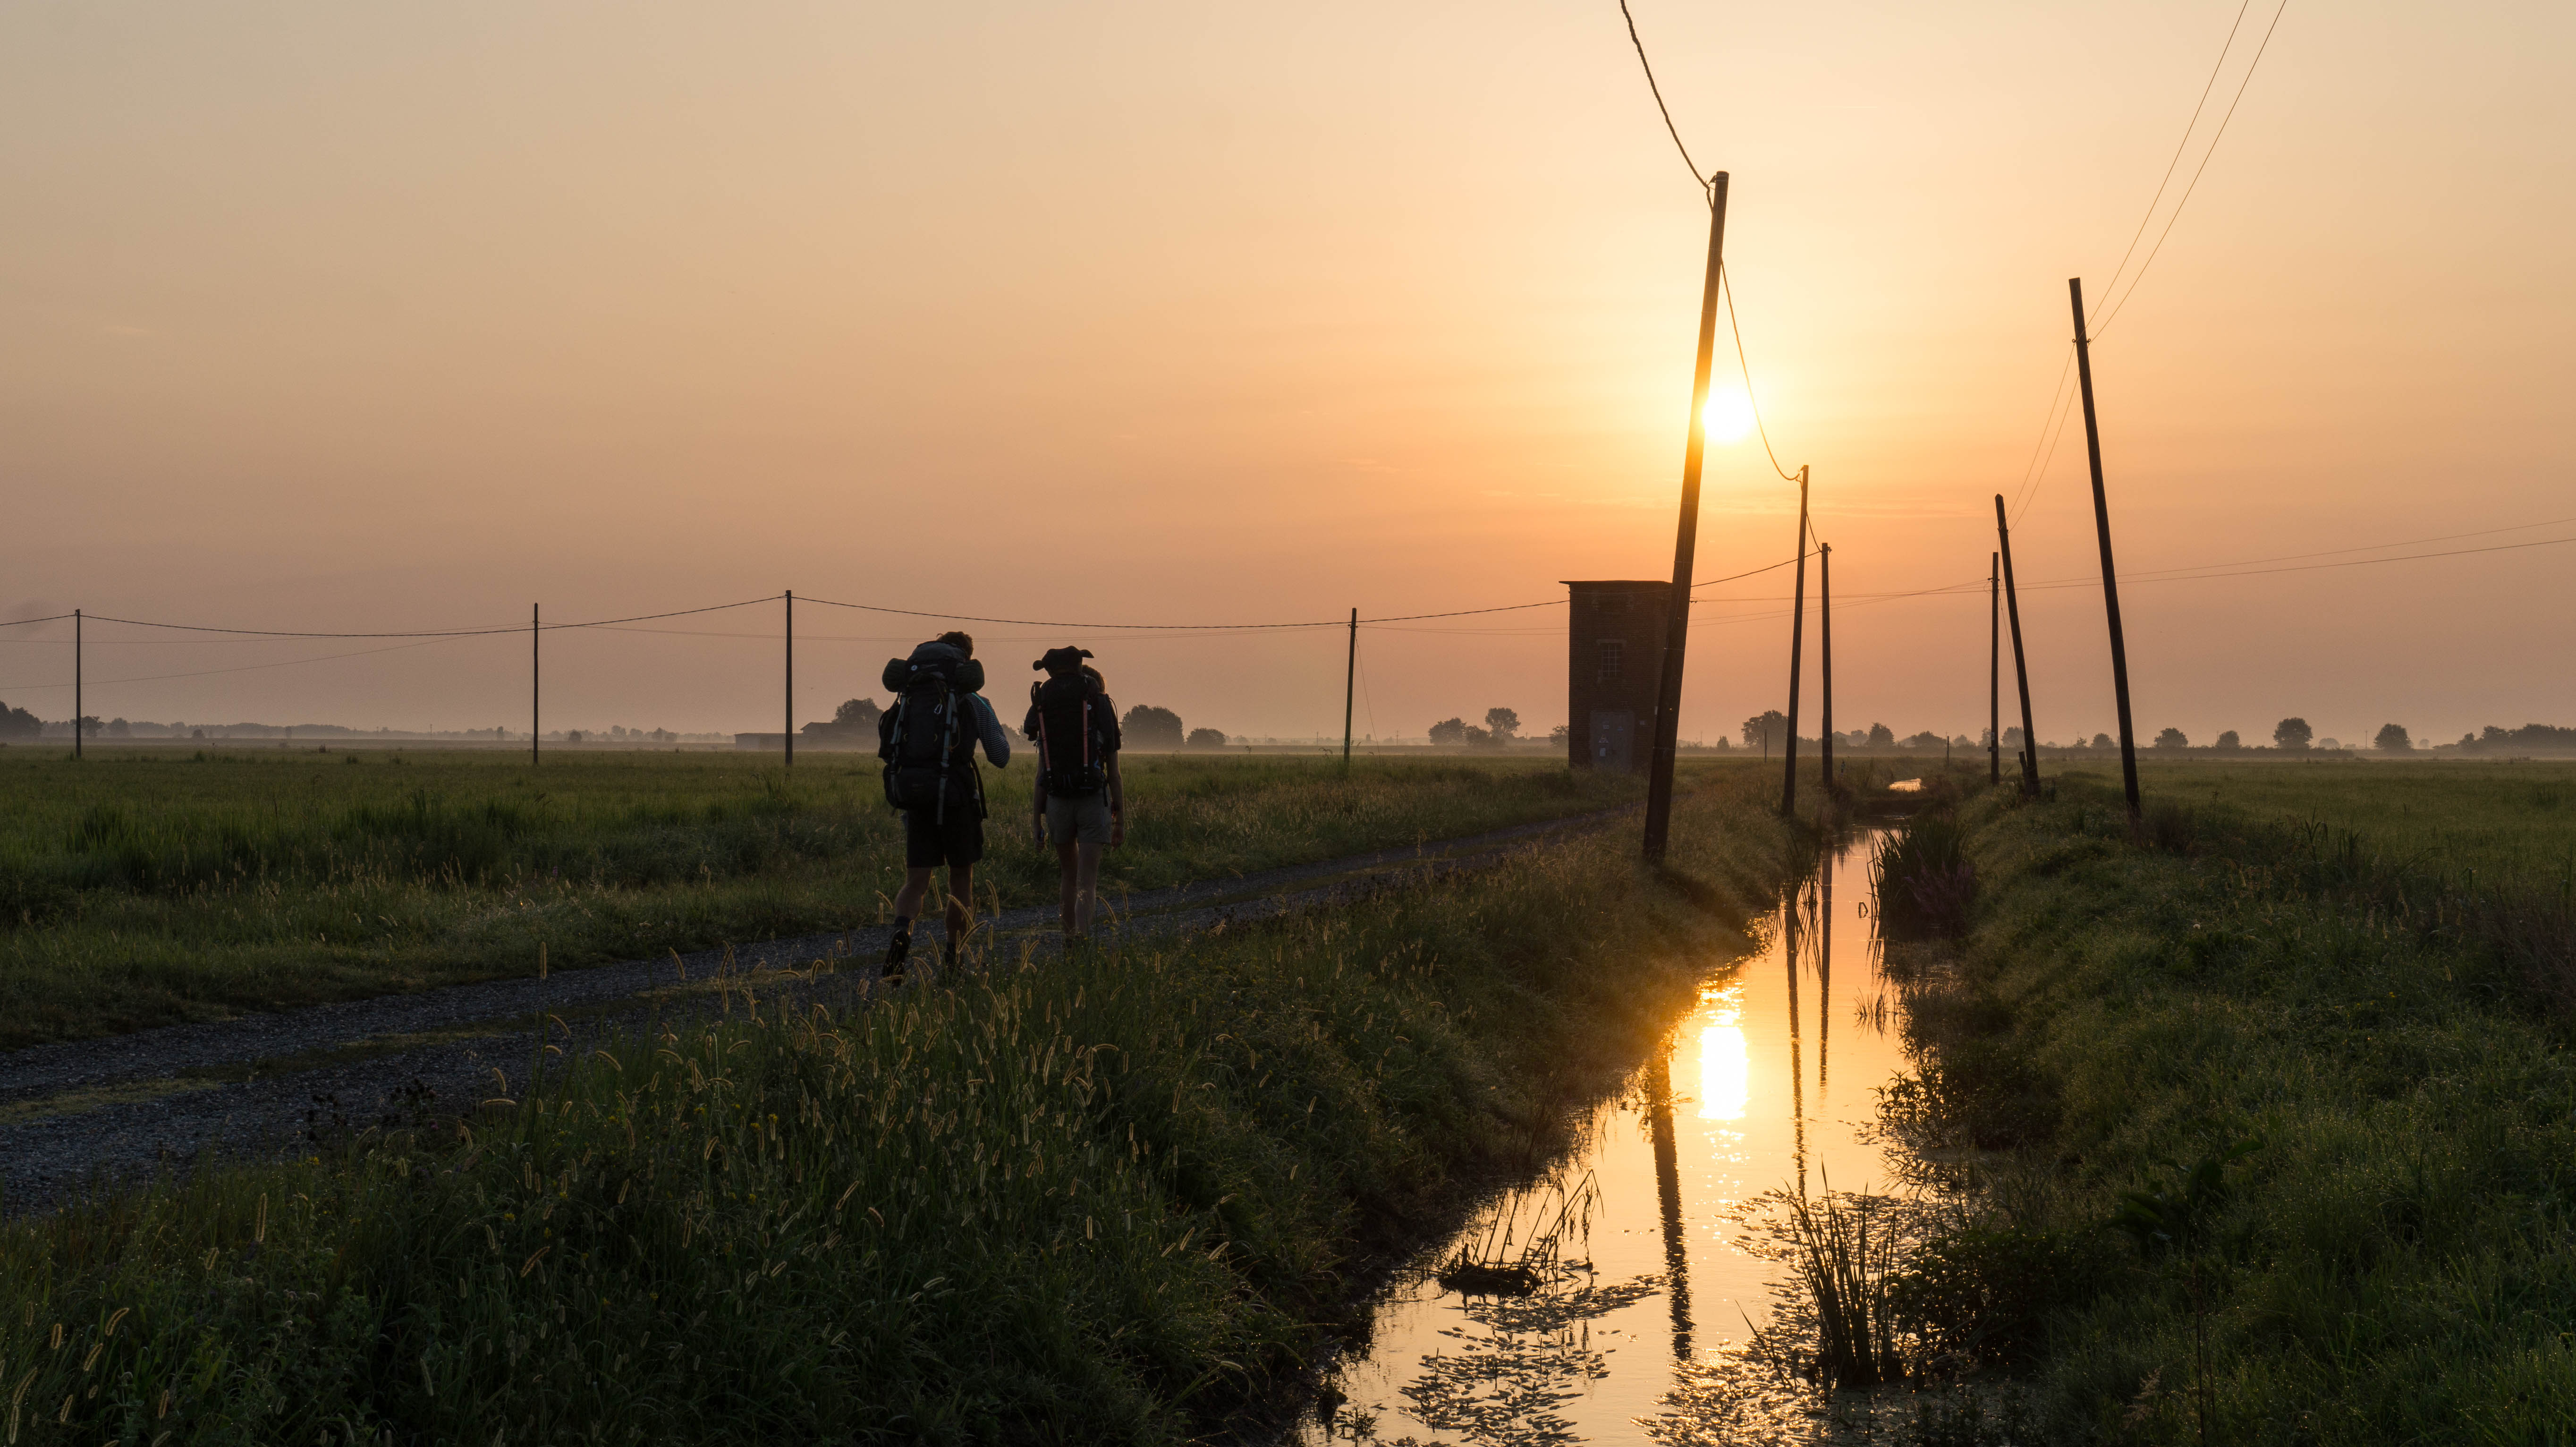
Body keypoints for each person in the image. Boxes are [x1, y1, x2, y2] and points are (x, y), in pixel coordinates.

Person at [876, 630, 1011, 980]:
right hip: (957, 799)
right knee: (960, 883)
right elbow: (1000, 757)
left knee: (916, 882)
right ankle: (954, 959)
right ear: (966, 660)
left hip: (917, 801)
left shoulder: (909, 699)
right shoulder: (973, 701)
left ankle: (901, 933)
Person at [1025, 647, 1125, 943]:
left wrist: (1036, 822)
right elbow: (1115, 773)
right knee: (1087, 881)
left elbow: (1041, 775)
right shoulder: (1099, 706)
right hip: (1093, 799)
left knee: (1068, 877)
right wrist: (1120, 821)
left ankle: (1069, 941)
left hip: (1057, 801)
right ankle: (1082, 940)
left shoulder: (1047, 710)